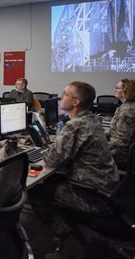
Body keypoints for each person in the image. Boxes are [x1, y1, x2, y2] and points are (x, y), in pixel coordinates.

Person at [29, 81, 119, 255]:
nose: (61, 97)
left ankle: (69, 238)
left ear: (75, 101)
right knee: (52, 180)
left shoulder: (76, 125)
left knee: (37, 192)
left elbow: (51, 159)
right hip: (105, 189)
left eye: (65, 94)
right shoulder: (90, 118)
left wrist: (47, 147)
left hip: (92, 197)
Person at [109, 78, 135, 170]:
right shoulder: (126, 106)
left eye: (117, 88)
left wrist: (102, 145)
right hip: (122, 151)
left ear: (127, 90)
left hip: (122, 155)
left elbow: (122, 141)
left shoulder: (128, 110)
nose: (114, 90)